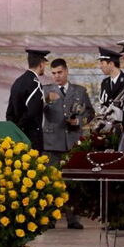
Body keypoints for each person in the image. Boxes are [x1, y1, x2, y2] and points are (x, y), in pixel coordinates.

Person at [42, 57, 93, 229]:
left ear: (66, 71)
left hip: (72, 142)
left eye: (60, 72)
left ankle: (73, 218)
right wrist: (47, 100)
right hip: (52, 141)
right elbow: (40, 109)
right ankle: (50, 217)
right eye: (54, 73)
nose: (56, 76)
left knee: (72, 182)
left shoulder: (79, 91)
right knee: (51, 181)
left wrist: (78, 121)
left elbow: (90, 113)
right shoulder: (46, 90)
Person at [6, 49, 48, 150]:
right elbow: (32, 112)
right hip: (31, 137)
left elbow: (9, 112)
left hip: (17, 137)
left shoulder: (17, 81)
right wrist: (21, 127)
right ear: (41, 64)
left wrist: (16, 130)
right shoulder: (35, 84)